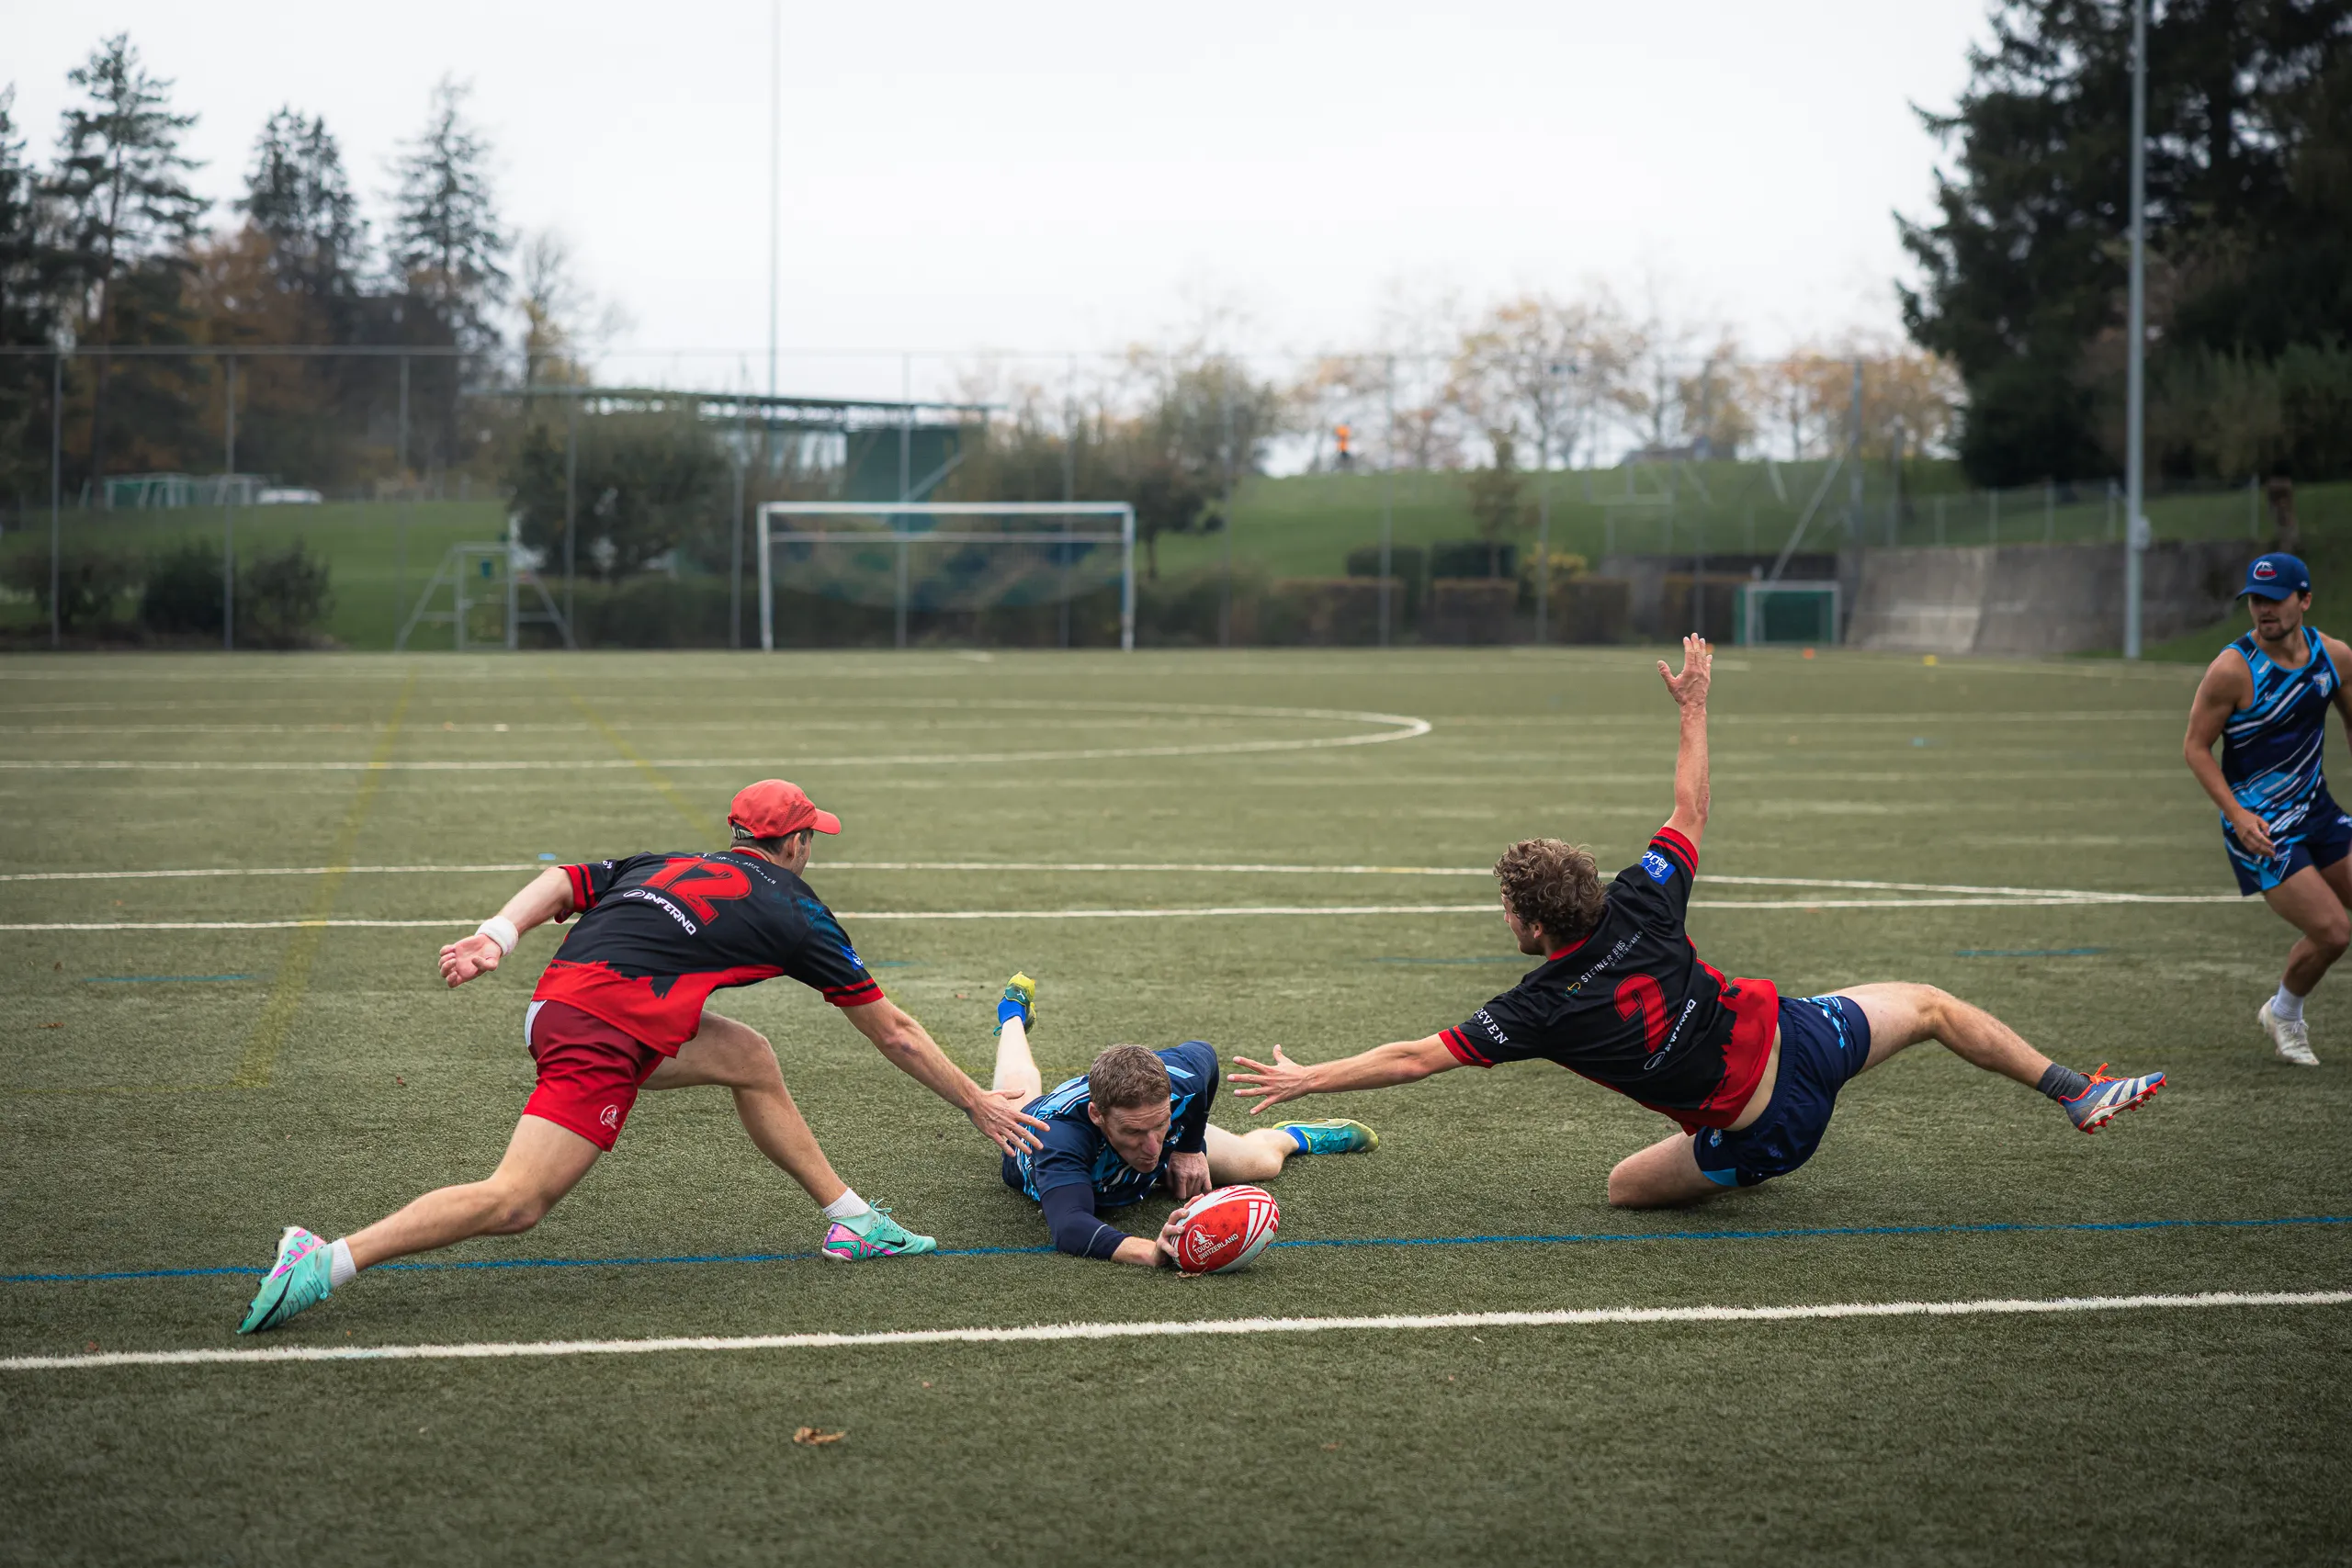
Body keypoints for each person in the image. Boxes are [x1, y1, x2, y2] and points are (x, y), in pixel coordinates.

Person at [1232, 636, 2165, 1207]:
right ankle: (2070, 1090)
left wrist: (1309, 1078)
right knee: (1925, 1005)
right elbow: (1690, 808)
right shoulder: (1641, 894)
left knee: (1621, 1189)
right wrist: (1695, 704)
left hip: (1769, 1130)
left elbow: (1412, 1058)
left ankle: (1732, 1165)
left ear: (1525, 924)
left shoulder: (1538, 1007)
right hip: (1805, 1037)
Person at [237, 779, 1048, 1333]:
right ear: (795, 840)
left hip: (561, 1003)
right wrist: (975, 1101)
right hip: (599, 1031)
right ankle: (329, 1257)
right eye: (813, 836)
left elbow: (562, 878)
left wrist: (496, 936)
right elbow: (895, 1030)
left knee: (750, 1056)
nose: (814, 848)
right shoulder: (799, 912)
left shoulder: (671, 862)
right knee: (517, 1201)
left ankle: (853, 1222)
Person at [988, 973, 1375, 1266]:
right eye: (1134, 1131)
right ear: (1098, 1116)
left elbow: (1204, 1054)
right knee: (1018, 1100)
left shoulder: (1177, 1080)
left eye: (1159, 1125)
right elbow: (1070, 1226)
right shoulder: (1057, 1138)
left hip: (1135, 1123)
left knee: (1262, 1164)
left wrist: (1188, 1147)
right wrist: (1151, 1251)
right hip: (1038, 1126)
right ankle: (1013, 1014)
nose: (1154, 1147)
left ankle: (1297, 1135)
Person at [2184, 552, 2351, 1066]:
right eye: (2255, 600)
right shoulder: (2233, 669)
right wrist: (2237, 815)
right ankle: (2285, 1013)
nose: (2263, 610)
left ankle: (2284, 1010)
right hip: (2261, 827)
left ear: (2303, 599)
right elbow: (2195, 747)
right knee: (2333, 931)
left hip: (2317, 811)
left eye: (2274, 599)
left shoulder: (2336, 657)